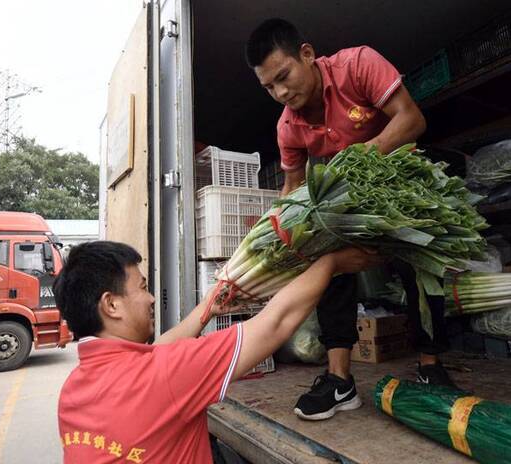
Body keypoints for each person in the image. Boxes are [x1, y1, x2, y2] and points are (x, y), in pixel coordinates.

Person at [245, 18, 457, 422]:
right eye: (269, 87)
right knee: (325, 256)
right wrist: (275, 232)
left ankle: (431, 364)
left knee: (422, 261)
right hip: (346, 204)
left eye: (284, 76)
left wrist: (359, 159)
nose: (281, 92)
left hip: (400, 183)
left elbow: (412, 120)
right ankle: (339, 380)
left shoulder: (357, 65)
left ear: (306, 54)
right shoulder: (287, 125)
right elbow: (292, 185)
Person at [55, 240, 381, 463]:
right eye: (142, 288)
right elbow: (275, 323)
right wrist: (331, 262)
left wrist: (209, 305)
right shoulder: (164, 376)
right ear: (111, 304)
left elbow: (157, 354)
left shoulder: (74, 389)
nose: (152, 298)